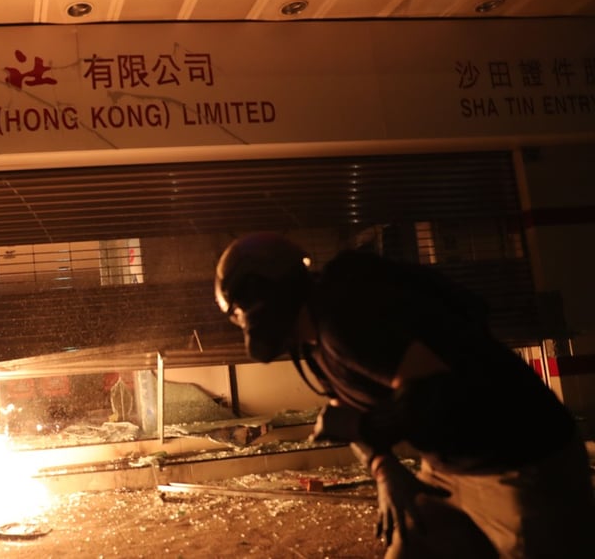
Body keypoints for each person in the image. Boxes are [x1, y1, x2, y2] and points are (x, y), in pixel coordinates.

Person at [214, 232, 595, 558]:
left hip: (521, 464)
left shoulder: (344, 316)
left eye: (241, 309)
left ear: (266, 292)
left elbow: (433, 390)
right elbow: (345, 408)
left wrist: (362, 426)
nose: (243, 321)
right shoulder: (309, 343)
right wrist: (383, 469)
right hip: (448, 471)